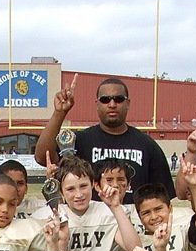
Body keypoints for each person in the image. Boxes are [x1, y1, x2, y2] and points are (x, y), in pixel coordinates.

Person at [34, 75, 175, 198]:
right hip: (91, 224)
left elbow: (163, 195)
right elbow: (42, 157)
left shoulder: (147, 145)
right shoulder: (80, 141)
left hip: (132, 223)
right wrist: (60, 113)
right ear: (97, 104)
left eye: (119, 99)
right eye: (105, 99)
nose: (112, 104)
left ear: (128, 103)